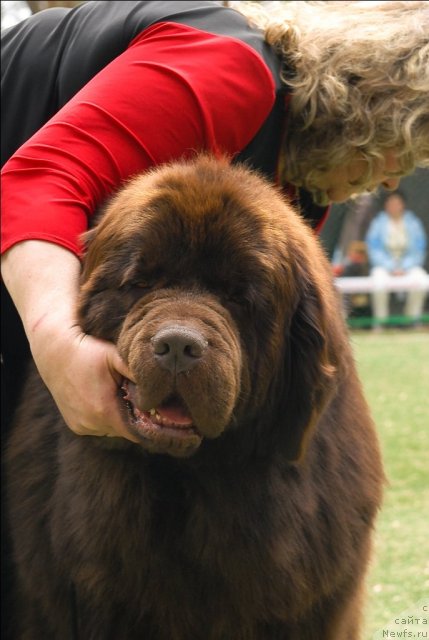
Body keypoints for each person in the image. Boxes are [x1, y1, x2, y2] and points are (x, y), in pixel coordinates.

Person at [2, 0, 429, 442]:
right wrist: (58, 345)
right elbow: (36, 181)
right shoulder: (229, 67)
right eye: (408, 148)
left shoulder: (295, 186)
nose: (395, 176)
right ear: (373, 112)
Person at [365, 191, 428, 326]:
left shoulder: (413, 222)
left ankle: (412, 320)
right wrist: (391, 267)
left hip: (409, 266)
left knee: (422, 280)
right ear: (386, 205)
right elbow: (373, 249)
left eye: (397, 203)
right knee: (378, 280)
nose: (393, 206)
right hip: (384, 266)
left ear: (402, 205)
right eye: (390, 203)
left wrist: (404, 267)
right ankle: (380, 322)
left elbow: (419, 248)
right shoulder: (378, 223)